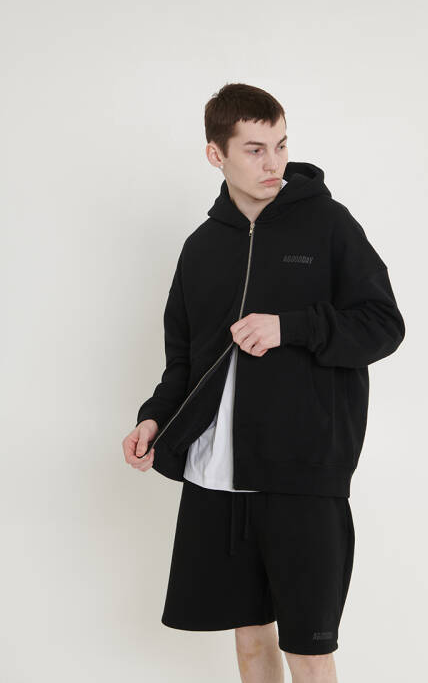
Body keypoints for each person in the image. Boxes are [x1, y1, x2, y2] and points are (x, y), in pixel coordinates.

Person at [122, 82, 405, 683]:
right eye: (254, 149)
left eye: (280, 145)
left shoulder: (329, 226)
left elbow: (384, 325)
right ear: (216, 154)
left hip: (302, 472)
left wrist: (292, 327)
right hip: (218, 475)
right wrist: (153, 418)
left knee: (309, 650)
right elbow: (184, 363)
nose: (272, 162)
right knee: (250, 642)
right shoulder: (201, 248)